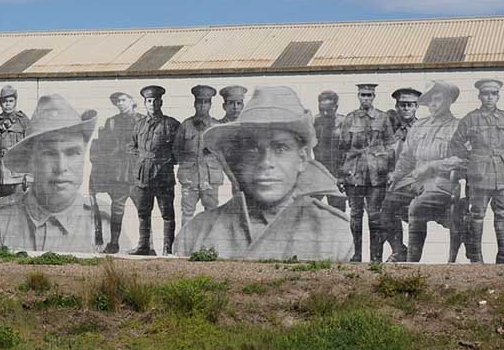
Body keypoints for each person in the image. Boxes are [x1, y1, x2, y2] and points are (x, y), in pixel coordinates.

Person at [174, 86, 352, 260]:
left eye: (281, 148)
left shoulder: (334, 232)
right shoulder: (196, 232)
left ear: (302, 158)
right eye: (252, 148)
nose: (266, 162)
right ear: (238, 158)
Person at [0, 94, 125, 253]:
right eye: (49, 153)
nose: (61, 167)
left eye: (72, 152)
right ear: (30, 161)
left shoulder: (106, 224)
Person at [451, 79, 504, 264]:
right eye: (486, 94)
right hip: (479, 175)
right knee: (477, 214)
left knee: (502, 213)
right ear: (479, 96)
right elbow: (456, 143)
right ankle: (476, 256)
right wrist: (472, 158)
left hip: (501, 174)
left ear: (498, 96)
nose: (489, 97)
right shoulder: (470, 119)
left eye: (493, 94)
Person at [390, 81, 466, 262]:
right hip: (415, 181)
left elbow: (463, 160)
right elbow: (407, 157)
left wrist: (433, 166)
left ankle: (411, 264)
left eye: (437, 100)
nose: (433, 104)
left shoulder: (458, 126)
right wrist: (395, 179)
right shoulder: (419, 126)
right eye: (430, 101)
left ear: (448, 101)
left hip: (442, 183)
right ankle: (399, 251)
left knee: (417, 207)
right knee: (386, 205)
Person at [338, 83, 395, 262]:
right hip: (354, 172)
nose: (366, 98)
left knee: (374, 216)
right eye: (363, 95)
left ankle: (376, 257)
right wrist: (340, 175)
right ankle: (357, 254)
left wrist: (392, 171)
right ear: (358, 96)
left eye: (369, 95)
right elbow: (342, 148)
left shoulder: (383, 118)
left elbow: (391, 147)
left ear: (374, 97)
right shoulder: (350, 119)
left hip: (377, 173)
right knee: (355, 215)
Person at [89, 92, 145, 254]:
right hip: (119, 173)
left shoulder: (143, 121)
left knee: (143, 209)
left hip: (138, 172)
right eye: (117, 101)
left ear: (132, 101)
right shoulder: (111, 122)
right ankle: (113, 244)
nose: (120, 103)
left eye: (123, 100)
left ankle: (147, 245)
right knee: (117, 208)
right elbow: (103, 148)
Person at [130, 85, 181, 255]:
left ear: (161, 102)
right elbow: (133, 147)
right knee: (143, 212)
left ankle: (167, 248)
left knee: (167, 213)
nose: (152, 104)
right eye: (149, 101)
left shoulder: (171, 124)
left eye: (155, 101)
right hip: (143, 175)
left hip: (163, 174)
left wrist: (166, 161)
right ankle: (143, 246)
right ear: (145, 103)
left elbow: (180, 148)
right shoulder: (138, 125)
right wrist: (143, 159)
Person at [379, 87, 421, 261]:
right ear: (397, 107)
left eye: (410, 105)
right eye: (402, 105)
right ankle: (398, 250)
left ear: (416, 107)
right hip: (396, 181)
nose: (406, 108)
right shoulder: (390, 130)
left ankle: (412, 254)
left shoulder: (423, 128)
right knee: (384, 211)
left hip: (418, 180)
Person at [174, 85, 224, 227]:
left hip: (210, 177)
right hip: (190, 178)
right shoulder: (186, 125)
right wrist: (186, 163)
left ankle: (211, 246)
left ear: (210, 104)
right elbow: (176, 150)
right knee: (187, 213)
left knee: (212, 212)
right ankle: (185, 246)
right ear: (194, 104)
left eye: (206, 102)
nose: (202, 105)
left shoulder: (216, 126)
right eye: (199, 102)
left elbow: (223, 152)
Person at [311, 90, 346, 212]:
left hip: (337, 172)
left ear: (336, 107)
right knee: (310, 209)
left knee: (337, 211)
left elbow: (348, 150)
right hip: (318, 171)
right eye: (322, 110)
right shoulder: (314, 122)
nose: (325, 113)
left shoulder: (344, 122)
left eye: (329, 110)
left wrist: (342, 174)